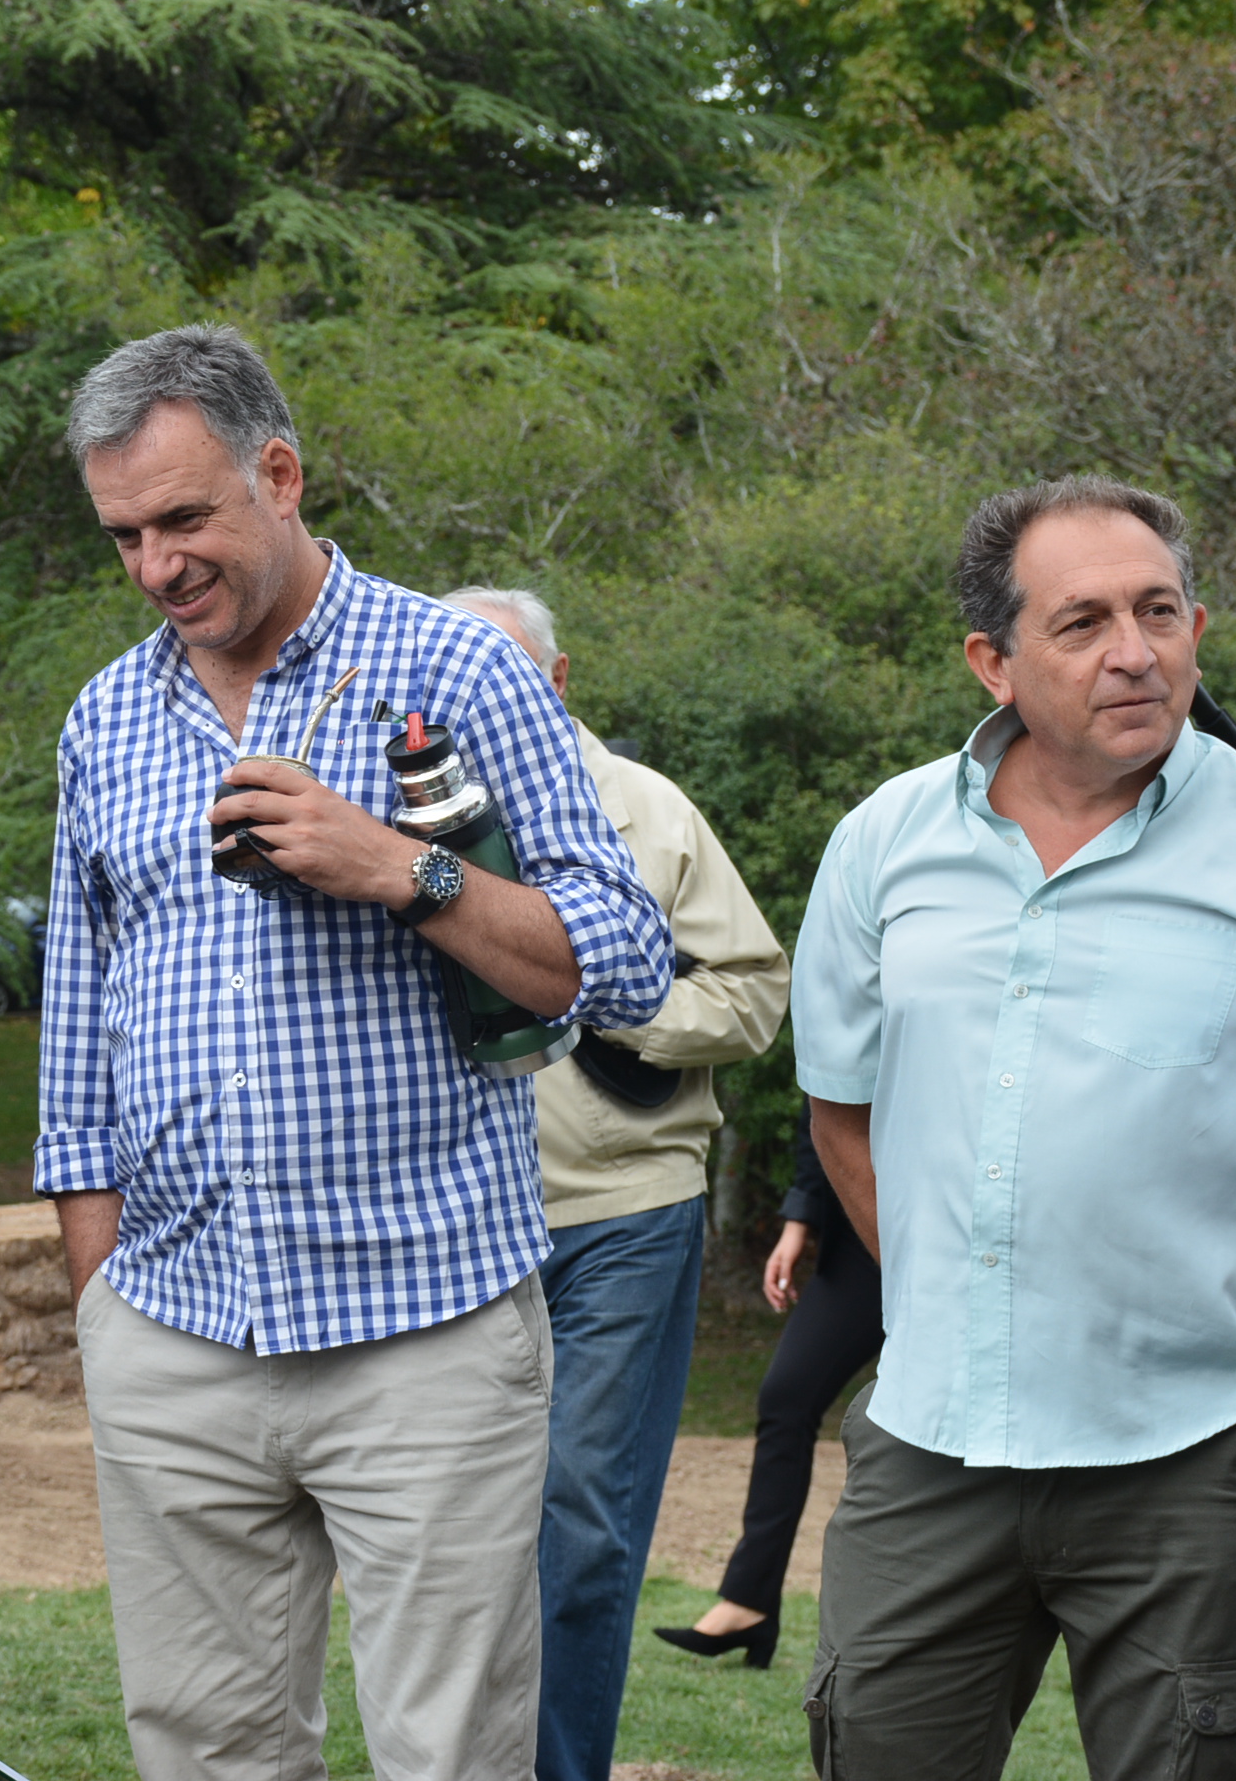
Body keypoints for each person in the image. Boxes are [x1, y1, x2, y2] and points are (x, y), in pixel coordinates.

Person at [36, 325, 674, 1781]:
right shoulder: (107, 717)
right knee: (206, 1755)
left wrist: (405, 869)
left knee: (448, 1757)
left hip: (426, 1330)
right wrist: (103, 1306)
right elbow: (79, 1031)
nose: (155, 567)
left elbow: (625, 961)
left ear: (280, 472)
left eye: (184, 519)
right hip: (177, 1329)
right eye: (124, 536)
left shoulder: (457, 666)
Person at [789, 476, 1236, 1780]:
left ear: (1199, 627)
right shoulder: (881, 845)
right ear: (994, 661)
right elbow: (840, 1110)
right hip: (931, 1442)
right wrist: (953, 1297)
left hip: (1189, 1458)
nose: (1135, 653)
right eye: (1082, 623)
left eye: (1160, 611)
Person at [442, 585, 791, 1781]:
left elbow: (751, 987)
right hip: (449, 1223)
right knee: (457, 1538)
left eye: (502, 669)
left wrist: (608, 998)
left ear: (557, 676)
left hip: (623, 1213)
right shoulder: (406, 816)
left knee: (584, 1522)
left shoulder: (649, 810)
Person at [659, 1111, 883, 1668]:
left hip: (961, 1232)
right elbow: (830, 1101)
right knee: (786, 1398)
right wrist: (799, 1220)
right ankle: (750, 1601)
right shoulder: (860, 1022)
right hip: (865, 1230)